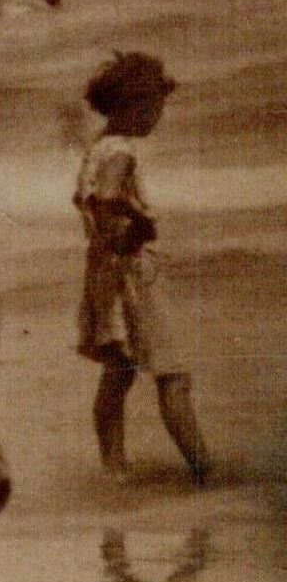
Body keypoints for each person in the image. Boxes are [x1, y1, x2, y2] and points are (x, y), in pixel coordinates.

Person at [74, 50, 210, 486]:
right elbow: (109, 195)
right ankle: (204, 472)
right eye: (155, 108)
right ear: (134, 105)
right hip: (132, 271)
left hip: (103, 271)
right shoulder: (120, 151)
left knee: (119, 372)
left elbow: (87, 200)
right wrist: (141, 218)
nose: (157, 117)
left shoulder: (95, 149)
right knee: (173, 375)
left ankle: (114, 469)